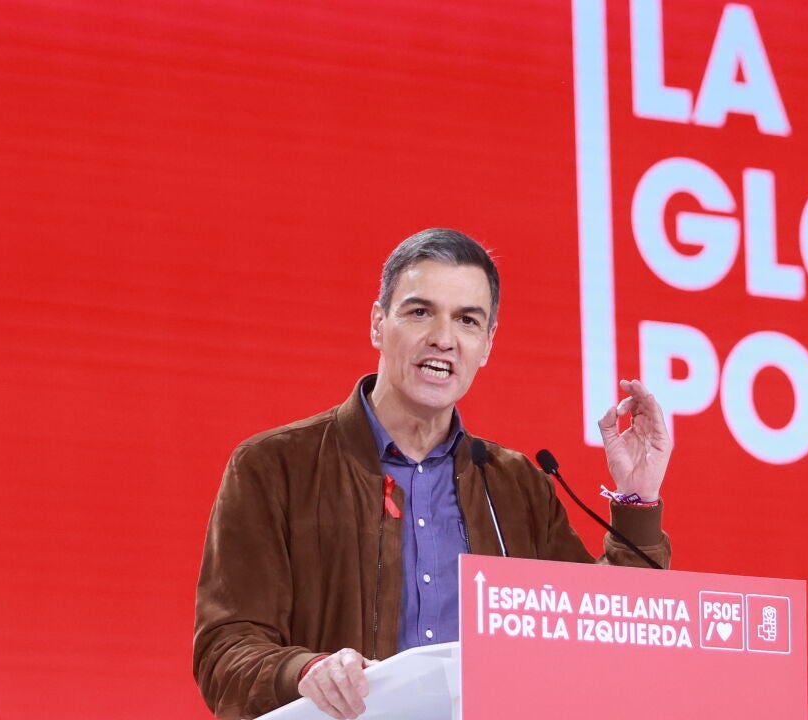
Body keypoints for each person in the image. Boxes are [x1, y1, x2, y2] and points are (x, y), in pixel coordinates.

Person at [193, 228, 672, 719]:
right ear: (378, 324)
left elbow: (604, 634)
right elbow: (225, 651)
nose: (443, 339)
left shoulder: (517, 485)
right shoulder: (274, 466)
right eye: (420, 312)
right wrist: (306, 671)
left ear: (487, 344)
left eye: (467, 320)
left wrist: (637, 499)